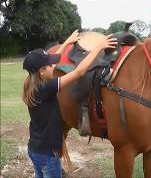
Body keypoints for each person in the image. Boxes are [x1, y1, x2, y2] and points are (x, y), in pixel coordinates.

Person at [22, 30, 117, 178]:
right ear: (41, 72)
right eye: (49, 66)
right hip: (49, 155)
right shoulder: (47, 87)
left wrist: (66, 43)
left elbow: (52, 62)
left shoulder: (30, 84)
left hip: (34, 149)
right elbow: (79, 72)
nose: (53, 67)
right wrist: (99, 47)